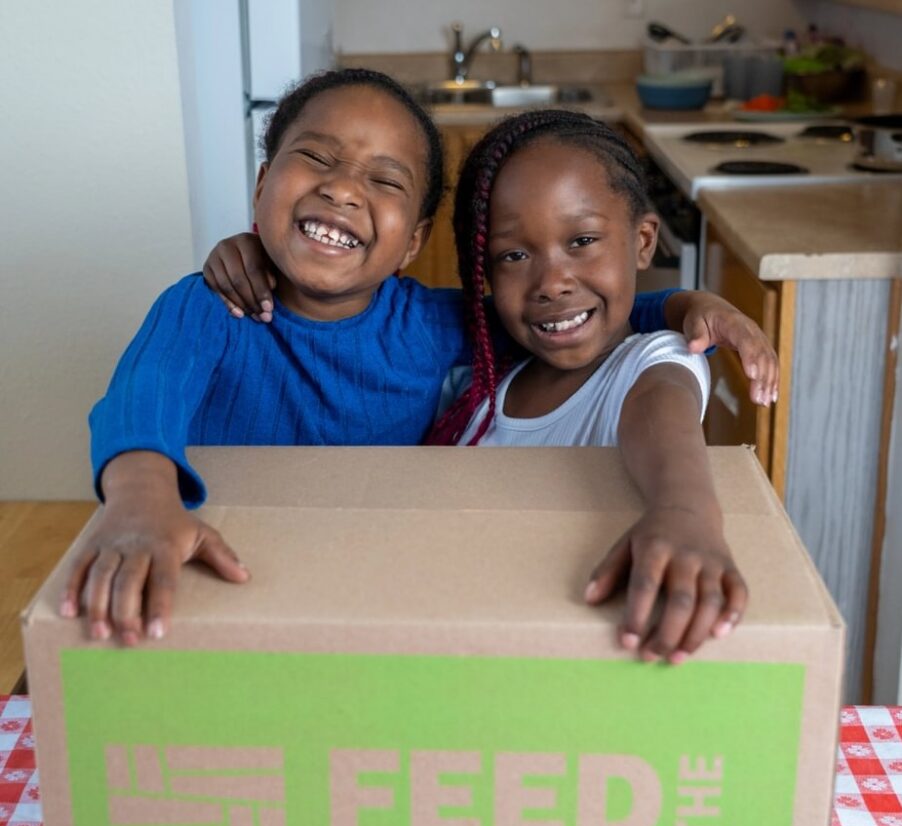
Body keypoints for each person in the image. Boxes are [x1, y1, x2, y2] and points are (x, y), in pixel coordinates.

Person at [62, 68, 774, 649]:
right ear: (260, 188)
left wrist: (681, 307)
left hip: (375, 606)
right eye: (316, 157)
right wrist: (141, 503)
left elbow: (558, 317)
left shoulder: (438, 327)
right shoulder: (209, 307)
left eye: (385, 180)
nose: (342, 188)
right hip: (221, 593)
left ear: (414, 241)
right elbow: (139, 400)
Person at [425, 108, 743, 663]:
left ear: (643, 242)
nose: (551, 283)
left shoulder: (651, 362)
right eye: (514, 255)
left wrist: (686, 510)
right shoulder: (482, 389)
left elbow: (662, 415)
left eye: (582, 240)